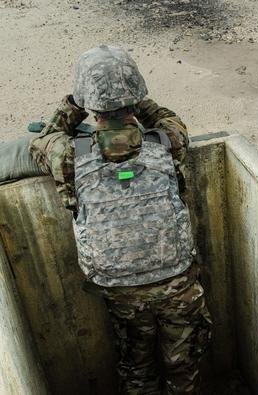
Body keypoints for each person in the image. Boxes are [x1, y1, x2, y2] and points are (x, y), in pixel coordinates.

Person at [30, 45, 211, 394]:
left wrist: (73, 104)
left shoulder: (70, 154)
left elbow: (42, 140)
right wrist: (137, 102)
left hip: (119, 290)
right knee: (183, 364)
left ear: (88, 103)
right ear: (137, 93)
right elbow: (169, 120)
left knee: (137, 367)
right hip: (177, 281)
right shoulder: (166, 141)